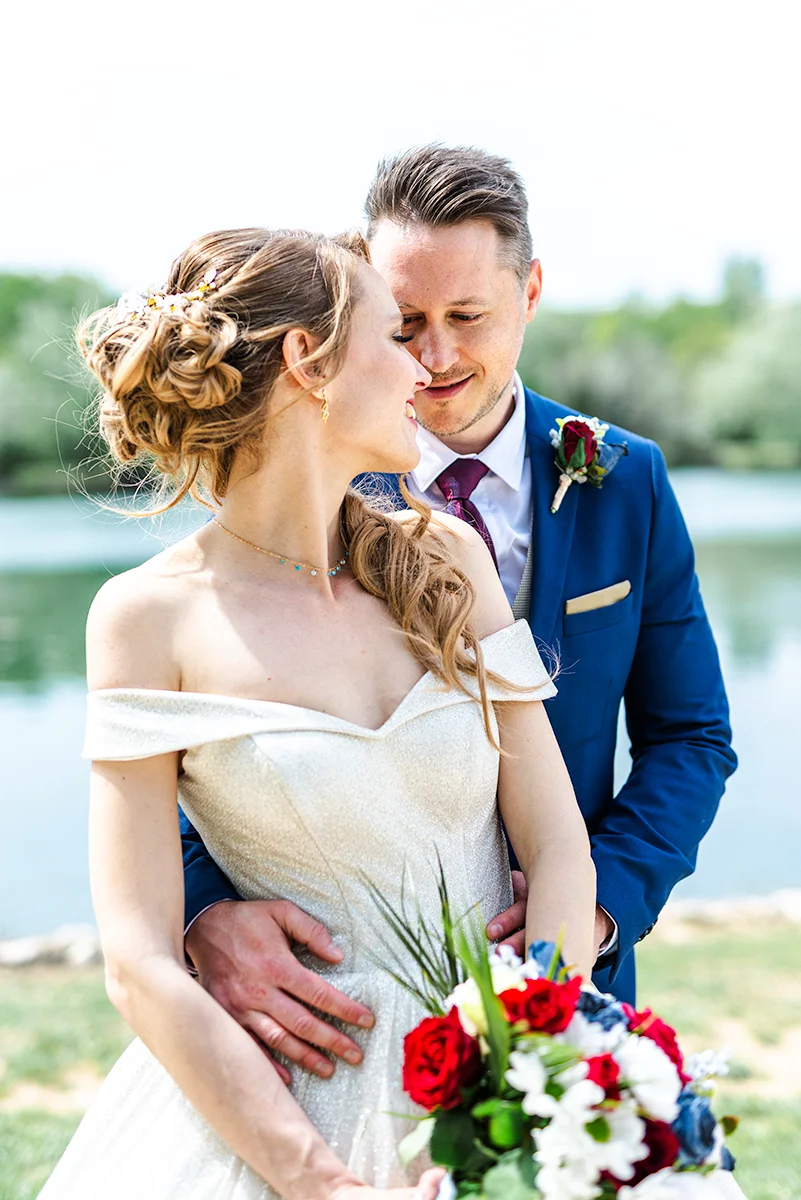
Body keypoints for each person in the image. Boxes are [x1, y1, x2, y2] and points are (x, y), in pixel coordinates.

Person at [40, 227, 598, 1197]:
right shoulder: (145, 619)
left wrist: (518, 1081)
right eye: (394, 335)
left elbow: (556, 849)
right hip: (289, 1114)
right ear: (309, 364)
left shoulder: (451, 561)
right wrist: (323, 1184)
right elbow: (138, 963)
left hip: (500, 1087)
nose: (428, 366)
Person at [179, 148, 737, 1095]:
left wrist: (596, 905)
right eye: (403, 325)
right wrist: (201, 915)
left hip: (567, 976)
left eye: (466, 317)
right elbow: (205, 732)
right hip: (330, 997)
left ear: (530, 292)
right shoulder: (297, 492)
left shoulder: (623, 477)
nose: (434, 358)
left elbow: (690, 735)